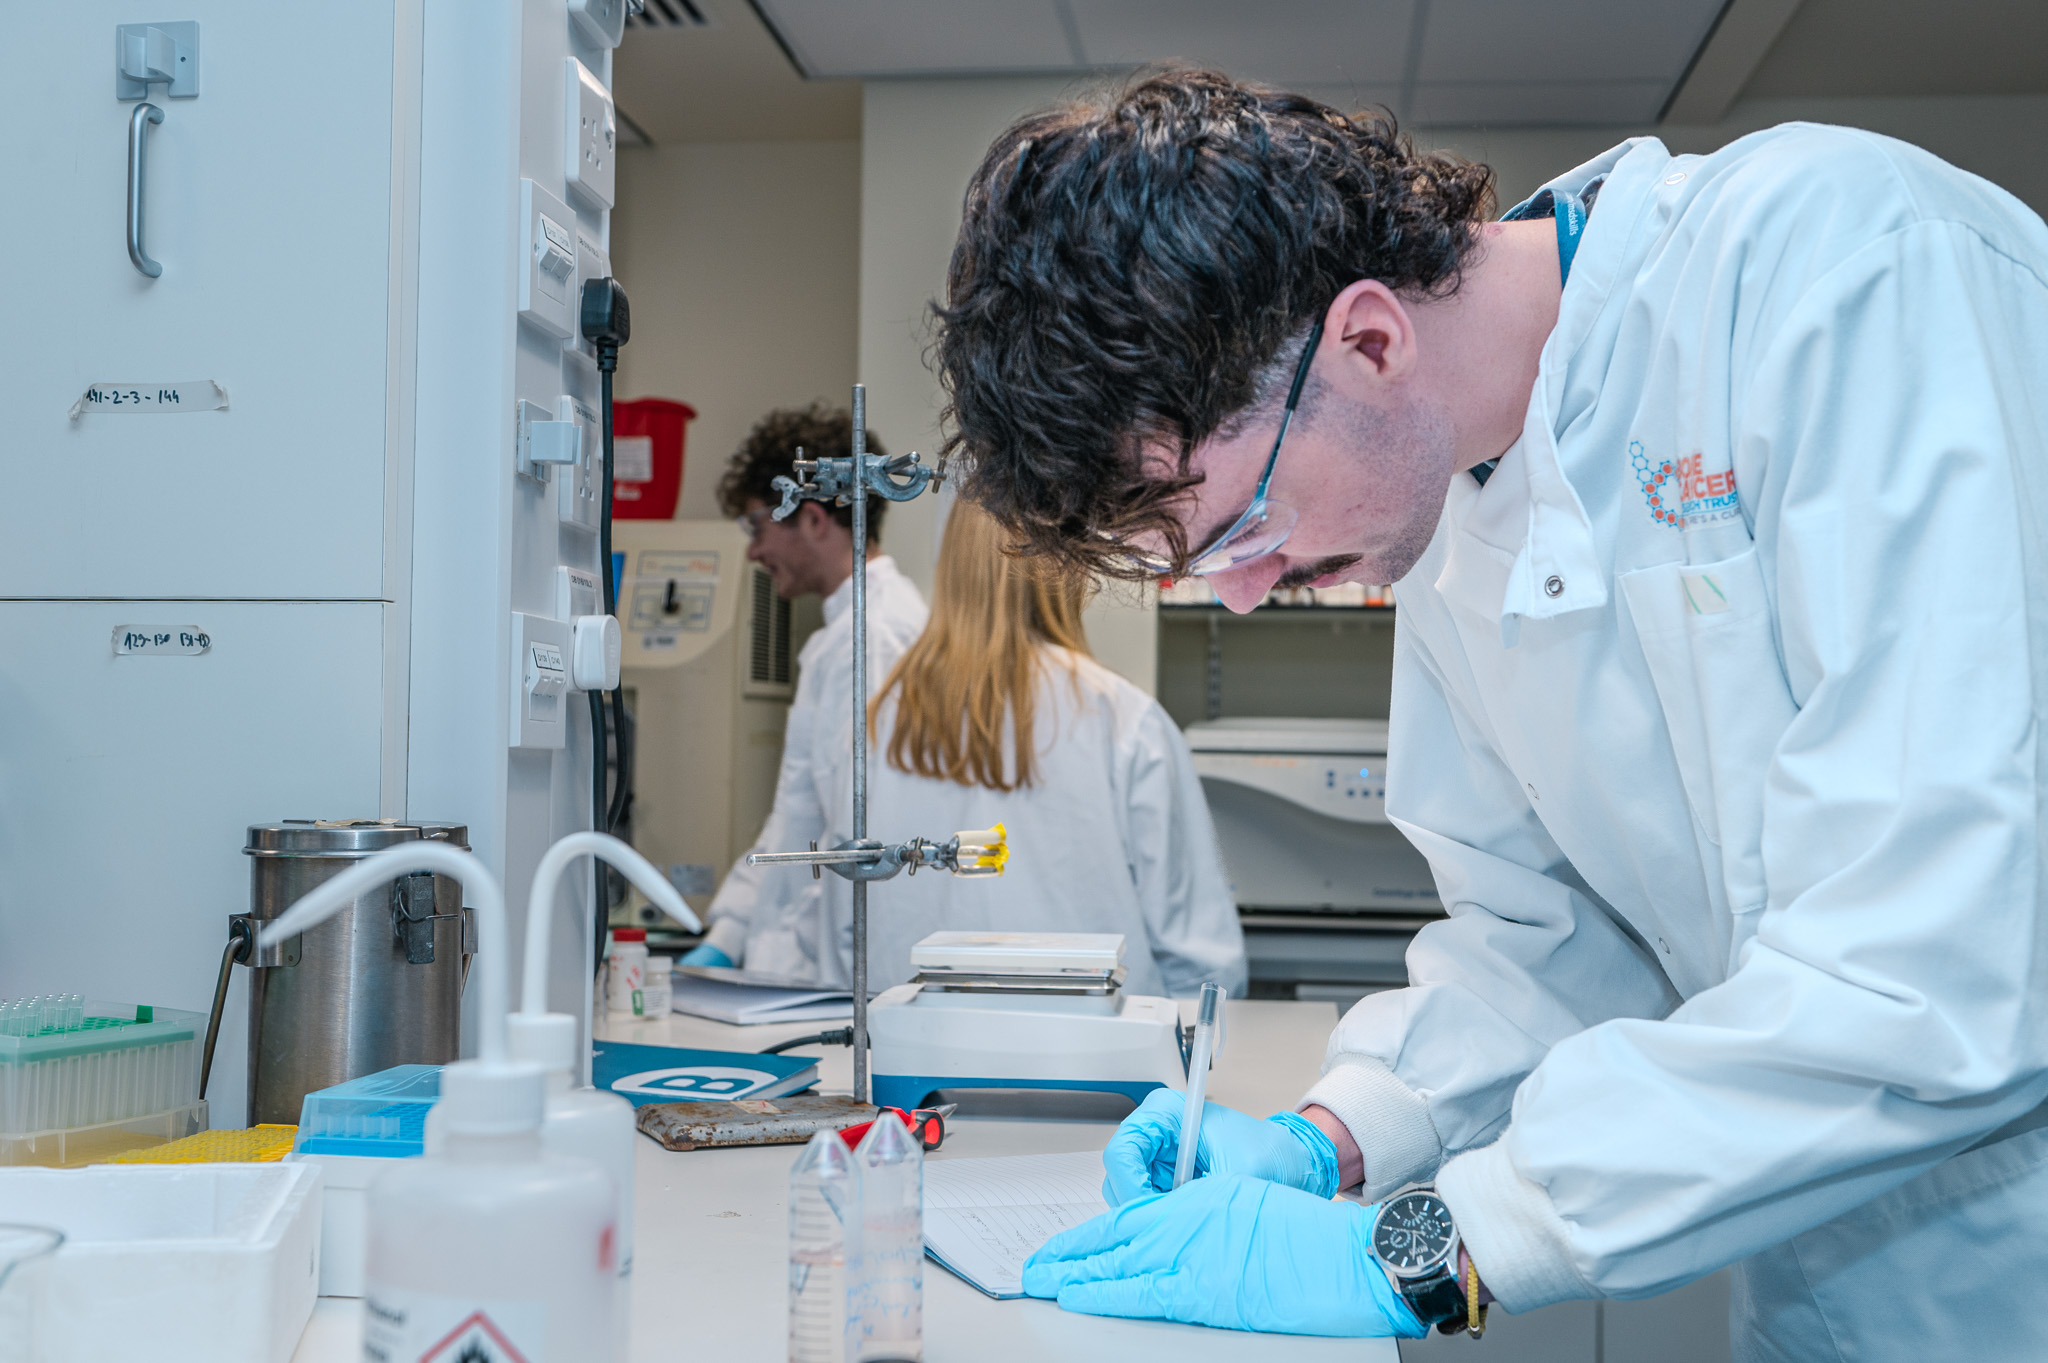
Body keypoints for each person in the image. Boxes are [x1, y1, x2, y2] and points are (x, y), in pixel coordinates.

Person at [932, 68, 2048, 1358]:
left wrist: (1432, 1252)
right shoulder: (1444, 499)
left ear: (1367, 340)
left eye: (1241, 526)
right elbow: (1552, 936)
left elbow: (1942, 955)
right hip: (1818, 1272)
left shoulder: (1841, 267)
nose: (1236, 593)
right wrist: (1334, 1132)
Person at [791, 500, 1245, 996]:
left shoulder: (876, 725)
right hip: (1097, 1042)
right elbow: (1202, 963)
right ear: (1071, 566)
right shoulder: (1125, 722)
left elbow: (840, 932)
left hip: (912, 1041)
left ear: (950, 566)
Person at [683, 405, 928, 977]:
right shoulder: (842, 638)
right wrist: (730, 934)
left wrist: (795, 967)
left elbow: (861, 842)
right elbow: (796, 816)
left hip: (829, 978)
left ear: (814, 520)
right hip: (798, 973)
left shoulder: (876, 639)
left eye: (757, 527)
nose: (752, 552)